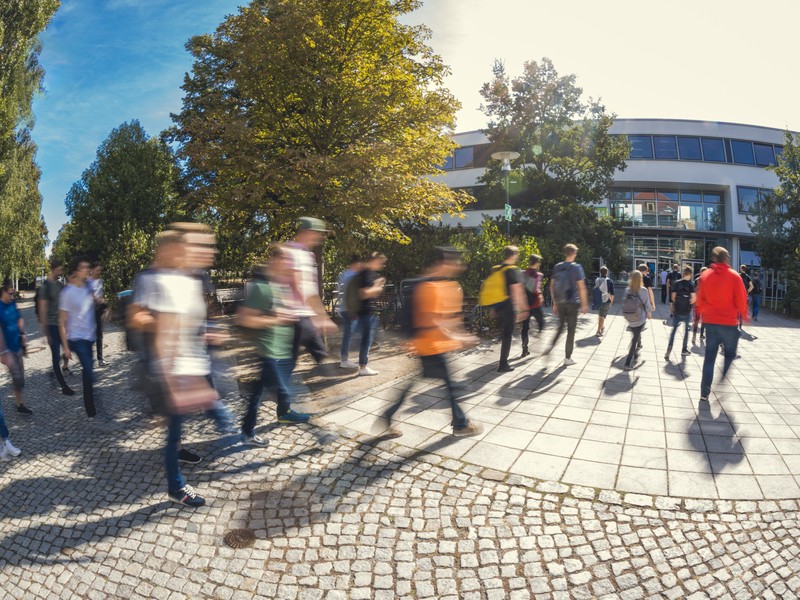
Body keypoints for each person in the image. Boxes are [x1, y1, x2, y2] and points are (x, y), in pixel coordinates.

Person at [380, 247, 481, 438]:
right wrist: (459, 337)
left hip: (436, 345)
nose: (458, 266)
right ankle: (460, 423)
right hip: (429, 345)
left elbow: (450, 318)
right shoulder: (429, 287)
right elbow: (430, 320)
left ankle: (387, 416)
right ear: (443, 263)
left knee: (425, 383)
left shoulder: (447, 285)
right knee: (450, 386)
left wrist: (458, 334)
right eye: (454, 262)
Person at [237, 246, 309, 436]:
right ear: (276, 261)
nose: (290, 264)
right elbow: (244, 318)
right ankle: (249, 429)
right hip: (268, 351)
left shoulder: (279, 286)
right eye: (286, 259)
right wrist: (277, 319)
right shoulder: (262, 287)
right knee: (278, 388)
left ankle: (277, 416)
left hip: (281, 350)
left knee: (261, 391)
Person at [695, 247, 748, 404]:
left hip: (711, 324)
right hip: (729, 324)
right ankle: (722, 381)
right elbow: (741, 299)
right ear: (726, 259)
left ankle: (704, 392)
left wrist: (701, 315)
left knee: (709, 358)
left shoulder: (706, 276)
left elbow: (700, 300)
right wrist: (744, 316)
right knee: (730, 354)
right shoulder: (734, 277)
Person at [285, 217, 337, 364]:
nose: (320, 236)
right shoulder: (294, 253)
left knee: (316, 353)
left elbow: (307, 288)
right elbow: (300, 287)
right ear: (306, 232)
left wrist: (319, 316)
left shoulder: (305, 254)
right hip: (293, 315)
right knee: (288, 361)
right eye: (318, 232)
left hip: (302, 314)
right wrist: (320, 317)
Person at [59, 258, 98, 418]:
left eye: (87, 267)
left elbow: (95, 304)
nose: (87, 270)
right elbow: (61, 321)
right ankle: (92, 412)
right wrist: (66, 346)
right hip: (76, 338)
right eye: (83, 267)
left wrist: (104, 307)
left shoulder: (88, 288)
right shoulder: (67, 292)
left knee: (89, 374)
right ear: (76, 271)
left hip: (89, 337)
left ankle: (90, 409)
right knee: (89, 372)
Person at [545, 244, 588, 366]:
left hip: (561, 302)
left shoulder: (557, 267)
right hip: (572, 302)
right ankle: (567, 358)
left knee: (560, 327)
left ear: (565, 253)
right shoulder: (577, 267)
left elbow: (552, 286)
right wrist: (584, 304)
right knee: (571, 331)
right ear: (574, 253)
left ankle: (550, 346)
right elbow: (581, 287)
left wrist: (554, 303)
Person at [36, 259, 74, 396]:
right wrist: (44, 331)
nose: (61, 272)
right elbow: (42, 310)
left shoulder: (60, 285)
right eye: (60, 269)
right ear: (54, 269)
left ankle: (57, 370)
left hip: (62, 324)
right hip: (52, 325)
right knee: (55, 356)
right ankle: (64, 386)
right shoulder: (45, 287)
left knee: (66, 349)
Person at [0, 281, 33, 415]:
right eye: (10, 293)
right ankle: (20, 403)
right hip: (5, 349)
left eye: (13, 293)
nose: (13, 296)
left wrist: (23, 333)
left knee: (20, 377)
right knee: (17, 376)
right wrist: (2, 351)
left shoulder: (13, 304)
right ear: (3, 292)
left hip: (17, 345)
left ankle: (19, 404)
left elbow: (19, 319)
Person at [352, 252, 387, 376]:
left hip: (366, 312)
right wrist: (378, 286)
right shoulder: (366, 273)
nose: (382, 265)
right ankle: (363, 367)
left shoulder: (368, 273)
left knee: (367, 339)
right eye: (381, 262)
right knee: (366, 339)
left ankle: (363, 365)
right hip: (365, 312)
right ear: (374, 260)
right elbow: (364, 293)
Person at [493, 246, 527, 372]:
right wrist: (522, 309)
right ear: (513, 255)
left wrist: (493, 308)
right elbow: (516, 290)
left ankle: (502, 360)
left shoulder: (499, 268)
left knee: (504, 333)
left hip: (498, 306)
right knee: (507, 335)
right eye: (517, 255)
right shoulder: (512, 270)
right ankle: (503, 364)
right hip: (508, 306)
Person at [622, 270, 652, 371]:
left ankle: (636, 355)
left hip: (630, 318)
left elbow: (625, 303)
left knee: (635, 336)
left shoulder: (627, 290)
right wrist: (649, 313)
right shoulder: (643, 290)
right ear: (641, 279)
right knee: (634, 340)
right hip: (639, 318)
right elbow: (647, 304)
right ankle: (627, 363)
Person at [665, 266, 696, 360]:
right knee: (686, 331)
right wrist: (688, 303)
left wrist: (677, 304)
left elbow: (673, 297)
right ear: (690, 274)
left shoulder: (677, 283)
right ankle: (684, 349)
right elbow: (694, 299)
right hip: (686, 311)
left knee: (674, 331)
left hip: (677, 310)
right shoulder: (690, 285)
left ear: (683, 273)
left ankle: (669, 348)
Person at [337, 255, 362, 369]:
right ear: (355, 264)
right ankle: (344, 360)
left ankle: (345, 358)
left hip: (345, 308)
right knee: (348, 335)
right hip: (349, 309)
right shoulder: (352, 276)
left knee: (349, 334)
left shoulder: (345, 274)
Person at [520, 254, 545, 356]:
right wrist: (540, 295)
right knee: (541, 322)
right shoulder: (538, 275)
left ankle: (524, 349)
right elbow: (535, 289)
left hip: (525, 305)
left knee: (525, 327)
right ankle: (537, 334)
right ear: (537, 263)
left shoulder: (522, 273)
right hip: (535, 305)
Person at [87, 262, 109, 367]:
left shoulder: (100, 281)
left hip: (99, 311)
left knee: (99, 336)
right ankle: (88, 359)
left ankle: (100, 359)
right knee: (90, 336)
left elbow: (102, 296)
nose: (99, 272)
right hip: (90, 312)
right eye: (97, 270)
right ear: (92, 270)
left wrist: (105, 310)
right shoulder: (88, 282)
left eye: (100, 270)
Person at [594, 266, 615, 337]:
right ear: (607, 272)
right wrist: (611, 302)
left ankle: (602, 326)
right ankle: (598, 331)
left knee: (600, 315)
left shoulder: (597, 280)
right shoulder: (610, 281)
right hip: (606, 300)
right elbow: (612, 294)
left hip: (598, 300)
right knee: (602, 316)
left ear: (600, 272)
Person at [692, 266, 708, 345]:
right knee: (703, 320)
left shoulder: (696, 280)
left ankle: (694, 335)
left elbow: (693, 291)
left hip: (697, 303)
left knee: (696, 320)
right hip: (704, 304)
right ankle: (701, 335)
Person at [738, 265, 754, 331]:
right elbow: (752, 286)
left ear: (741, 269)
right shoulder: (748, 277)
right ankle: (740, 323)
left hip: (738, 294)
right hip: (745, 295)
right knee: (743, 308)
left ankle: (736, 321)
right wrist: (747, 291)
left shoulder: (738, 275)